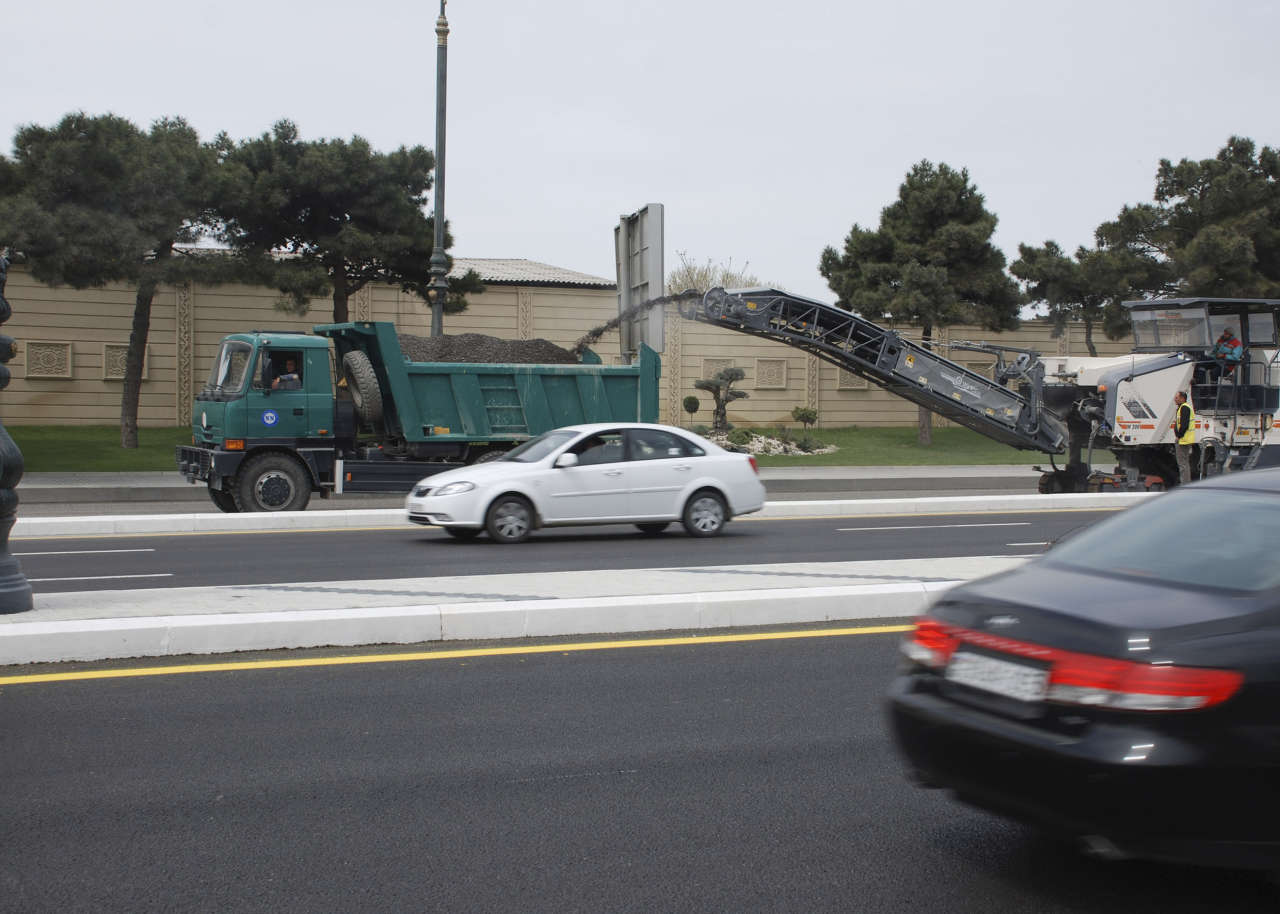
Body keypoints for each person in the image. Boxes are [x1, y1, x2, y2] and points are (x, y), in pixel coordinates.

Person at [1173, 390, 1195, 485]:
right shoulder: (1183, 407)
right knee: (1184, 463)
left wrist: (1178, 436)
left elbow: (1184, 425)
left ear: (1182, 398)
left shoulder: (1184, 408)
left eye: (1177, 397)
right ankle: (1186, 483)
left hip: (1183, 440)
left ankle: (1185, 484)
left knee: (1183, 464)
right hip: (1185, 439)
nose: (1175, 399)